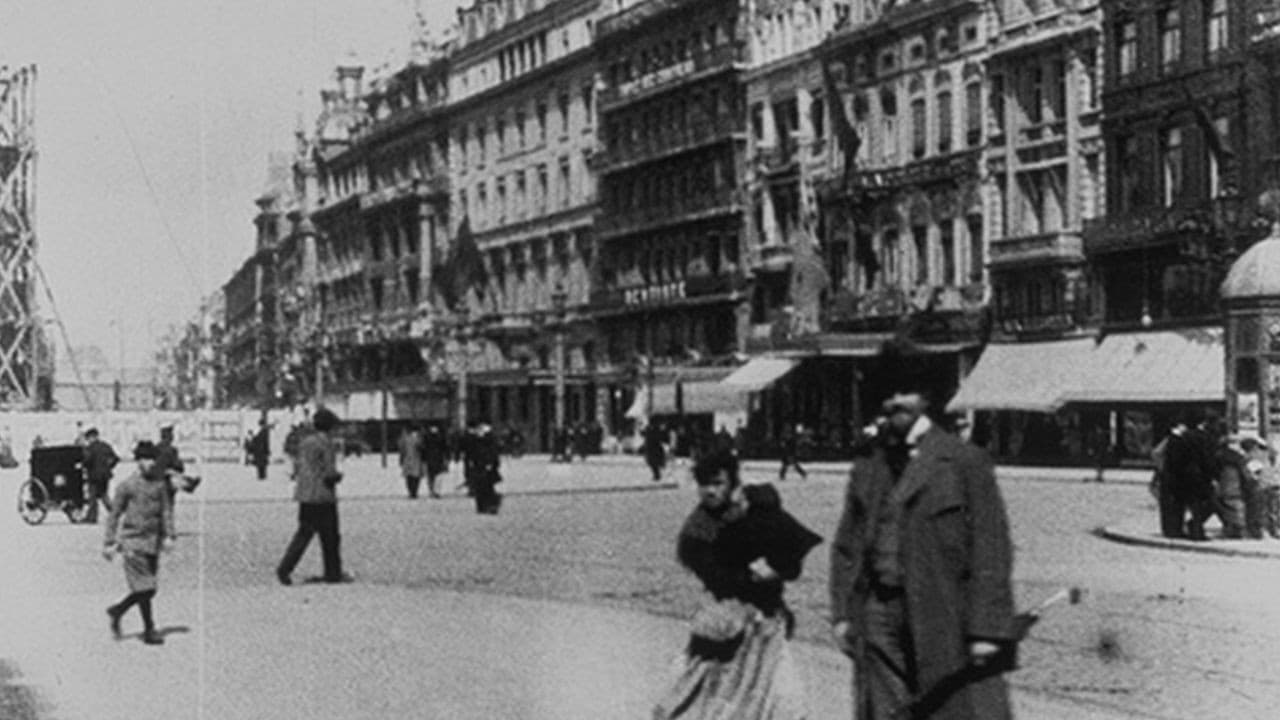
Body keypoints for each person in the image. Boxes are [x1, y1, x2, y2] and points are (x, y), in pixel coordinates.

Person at [830, 392, 1017, 719]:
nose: (894, 402)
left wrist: (986, 629)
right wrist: (844, 613)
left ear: (927, 398)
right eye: (888, 391)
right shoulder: (869, 465)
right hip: (878, 611)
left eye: (906, 392)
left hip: (941, 608)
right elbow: (848, 544)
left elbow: (991, 547)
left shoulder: (963, 460)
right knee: (886, 709)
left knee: (948, 706)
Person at [653, 450, 821, 719]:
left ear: (732, 483)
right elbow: (717, 577)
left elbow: (790, 552)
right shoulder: (697, 530)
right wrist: (756, 577)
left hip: (766, 624)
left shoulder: (753, 508)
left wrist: (778, 569)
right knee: (711, 701)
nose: (709, 491)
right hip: (725, 627)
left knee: (785, 700)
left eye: (718, 483)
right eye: (704, 484)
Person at [103, 441, 175, 645]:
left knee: (147, 589)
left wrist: (169, 535)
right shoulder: (127, 486)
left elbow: (166, 510)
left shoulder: (160, 485)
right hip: (132, 541)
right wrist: (109, 542)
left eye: (153, 459)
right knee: (146, 588)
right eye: (146, 459)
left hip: (153, 542)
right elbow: (114, 515)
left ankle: (117, 611)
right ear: (138, 461)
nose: (150, 463)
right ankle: (149, 629)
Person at [276, 407, 350, 585]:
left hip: (305, 494)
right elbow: (329, 471)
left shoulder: (306, 442)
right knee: (330, 536)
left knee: (303, 533)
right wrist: (337, 477)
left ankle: (285, 568)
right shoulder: (326, 444)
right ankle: (333, 573)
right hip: (323, 495)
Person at [82, 427, 120, 523]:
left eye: (88, 438)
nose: (88, 440)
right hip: (105, 475)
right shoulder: (105, 446)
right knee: (104, 495)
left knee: (93, 497)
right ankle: (115, 514)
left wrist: (84, 465)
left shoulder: (90, 448)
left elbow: (88, 460)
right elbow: (116, 458)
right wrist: (109, 467)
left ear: (91, 437)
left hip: (94, 475)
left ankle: (91, 518)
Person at [463, 422, 502, 514]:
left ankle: (491, 505)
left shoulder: (490, 439)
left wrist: (492, 464)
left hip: (487, 466)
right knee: (479, 487)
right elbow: (470, 452)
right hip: (478, 465)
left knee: (487, 486)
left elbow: (494, 453)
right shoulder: (474, 439)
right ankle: (482, 506)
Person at [422, 424, 449, 499]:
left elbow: (445, 448)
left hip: (436, 459)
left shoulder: (429, 437)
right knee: (433, 476)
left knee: (436, 476)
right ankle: (434, 491)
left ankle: (435, 491)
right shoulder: (437, 437)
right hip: (434, 459)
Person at [398, 426, 425, 499]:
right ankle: (414, 492)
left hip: (408, 459)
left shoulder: (405, 439)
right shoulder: (419, 438)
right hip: (416, 459)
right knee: (416, 477)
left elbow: (401, 449)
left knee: (409, 477)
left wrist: (401, 459)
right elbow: (422, 448)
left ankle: (411, 492)